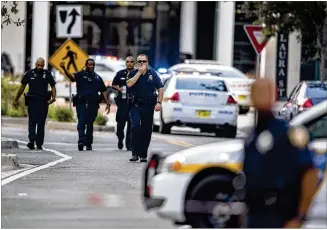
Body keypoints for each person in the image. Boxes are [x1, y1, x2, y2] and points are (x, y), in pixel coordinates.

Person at [242, 78, 319, 228]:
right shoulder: (252, 138)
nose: (260, 97)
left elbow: (310, 175)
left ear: (273, 95)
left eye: (264, 93)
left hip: (280, 216)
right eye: (256, 93)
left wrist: (300, 216)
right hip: (255, 216)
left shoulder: (288, 134)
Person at [60, 58, 111, 151]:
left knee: (90, 124)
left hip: (93, 104)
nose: (91, 66)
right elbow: (71, 77)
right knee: (81, 123)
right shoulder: (80, 74)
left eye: (93, 65)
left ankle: (88, 143)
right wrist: (64, 68)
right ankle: (81, 141)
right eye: (89, 65)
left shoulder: (98, 78)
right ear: (86, 65)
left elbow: (104, 91)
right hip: (81, 102)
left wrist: (107, 103)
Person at [126, 54, 163, 162]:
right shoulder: (132, 73)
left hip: (148, 106)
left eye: (144, 61)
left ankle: (143, 154)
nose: (142, 63)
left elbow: (160, 88)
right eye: (140, 61)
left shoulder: (153, 74)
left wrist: (159, 102)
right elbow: (129, 84)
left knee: (146, 131)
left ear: (147, 62)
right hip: (135, 106)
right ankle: (134, 153)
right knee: (135, 127)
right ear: (137, 63)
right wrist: (139, 73)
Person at [13, 58, 56, 150]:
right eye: (38, 65)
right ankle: (32, 141)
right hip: (32, 100)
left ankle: (39, 143)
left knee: (41, 123)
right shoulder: (29, 73)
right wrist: (16, 99)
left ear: (44, 65)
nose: (40, 67)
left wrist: (53, 98)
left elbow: (53, 86)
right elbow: (22, 87)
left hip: (44, 102)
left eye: (42, 65)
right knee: (32, 121)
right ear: (35, 64)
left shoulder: (47, 74)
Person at [111, 56, 135, 151]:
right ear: (126, 63)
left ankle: (129, 144)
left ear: (134, 63)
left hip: (133, 103)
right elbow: (113, 85)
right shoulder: (120, 73)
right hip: (122, 103)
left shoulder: (137, 74)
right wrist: (119, 88)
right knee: (120, 124)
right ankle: (120, 138)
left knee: (131, 124)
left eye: (131, 62)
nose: (129, 63)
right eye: (127, 62)